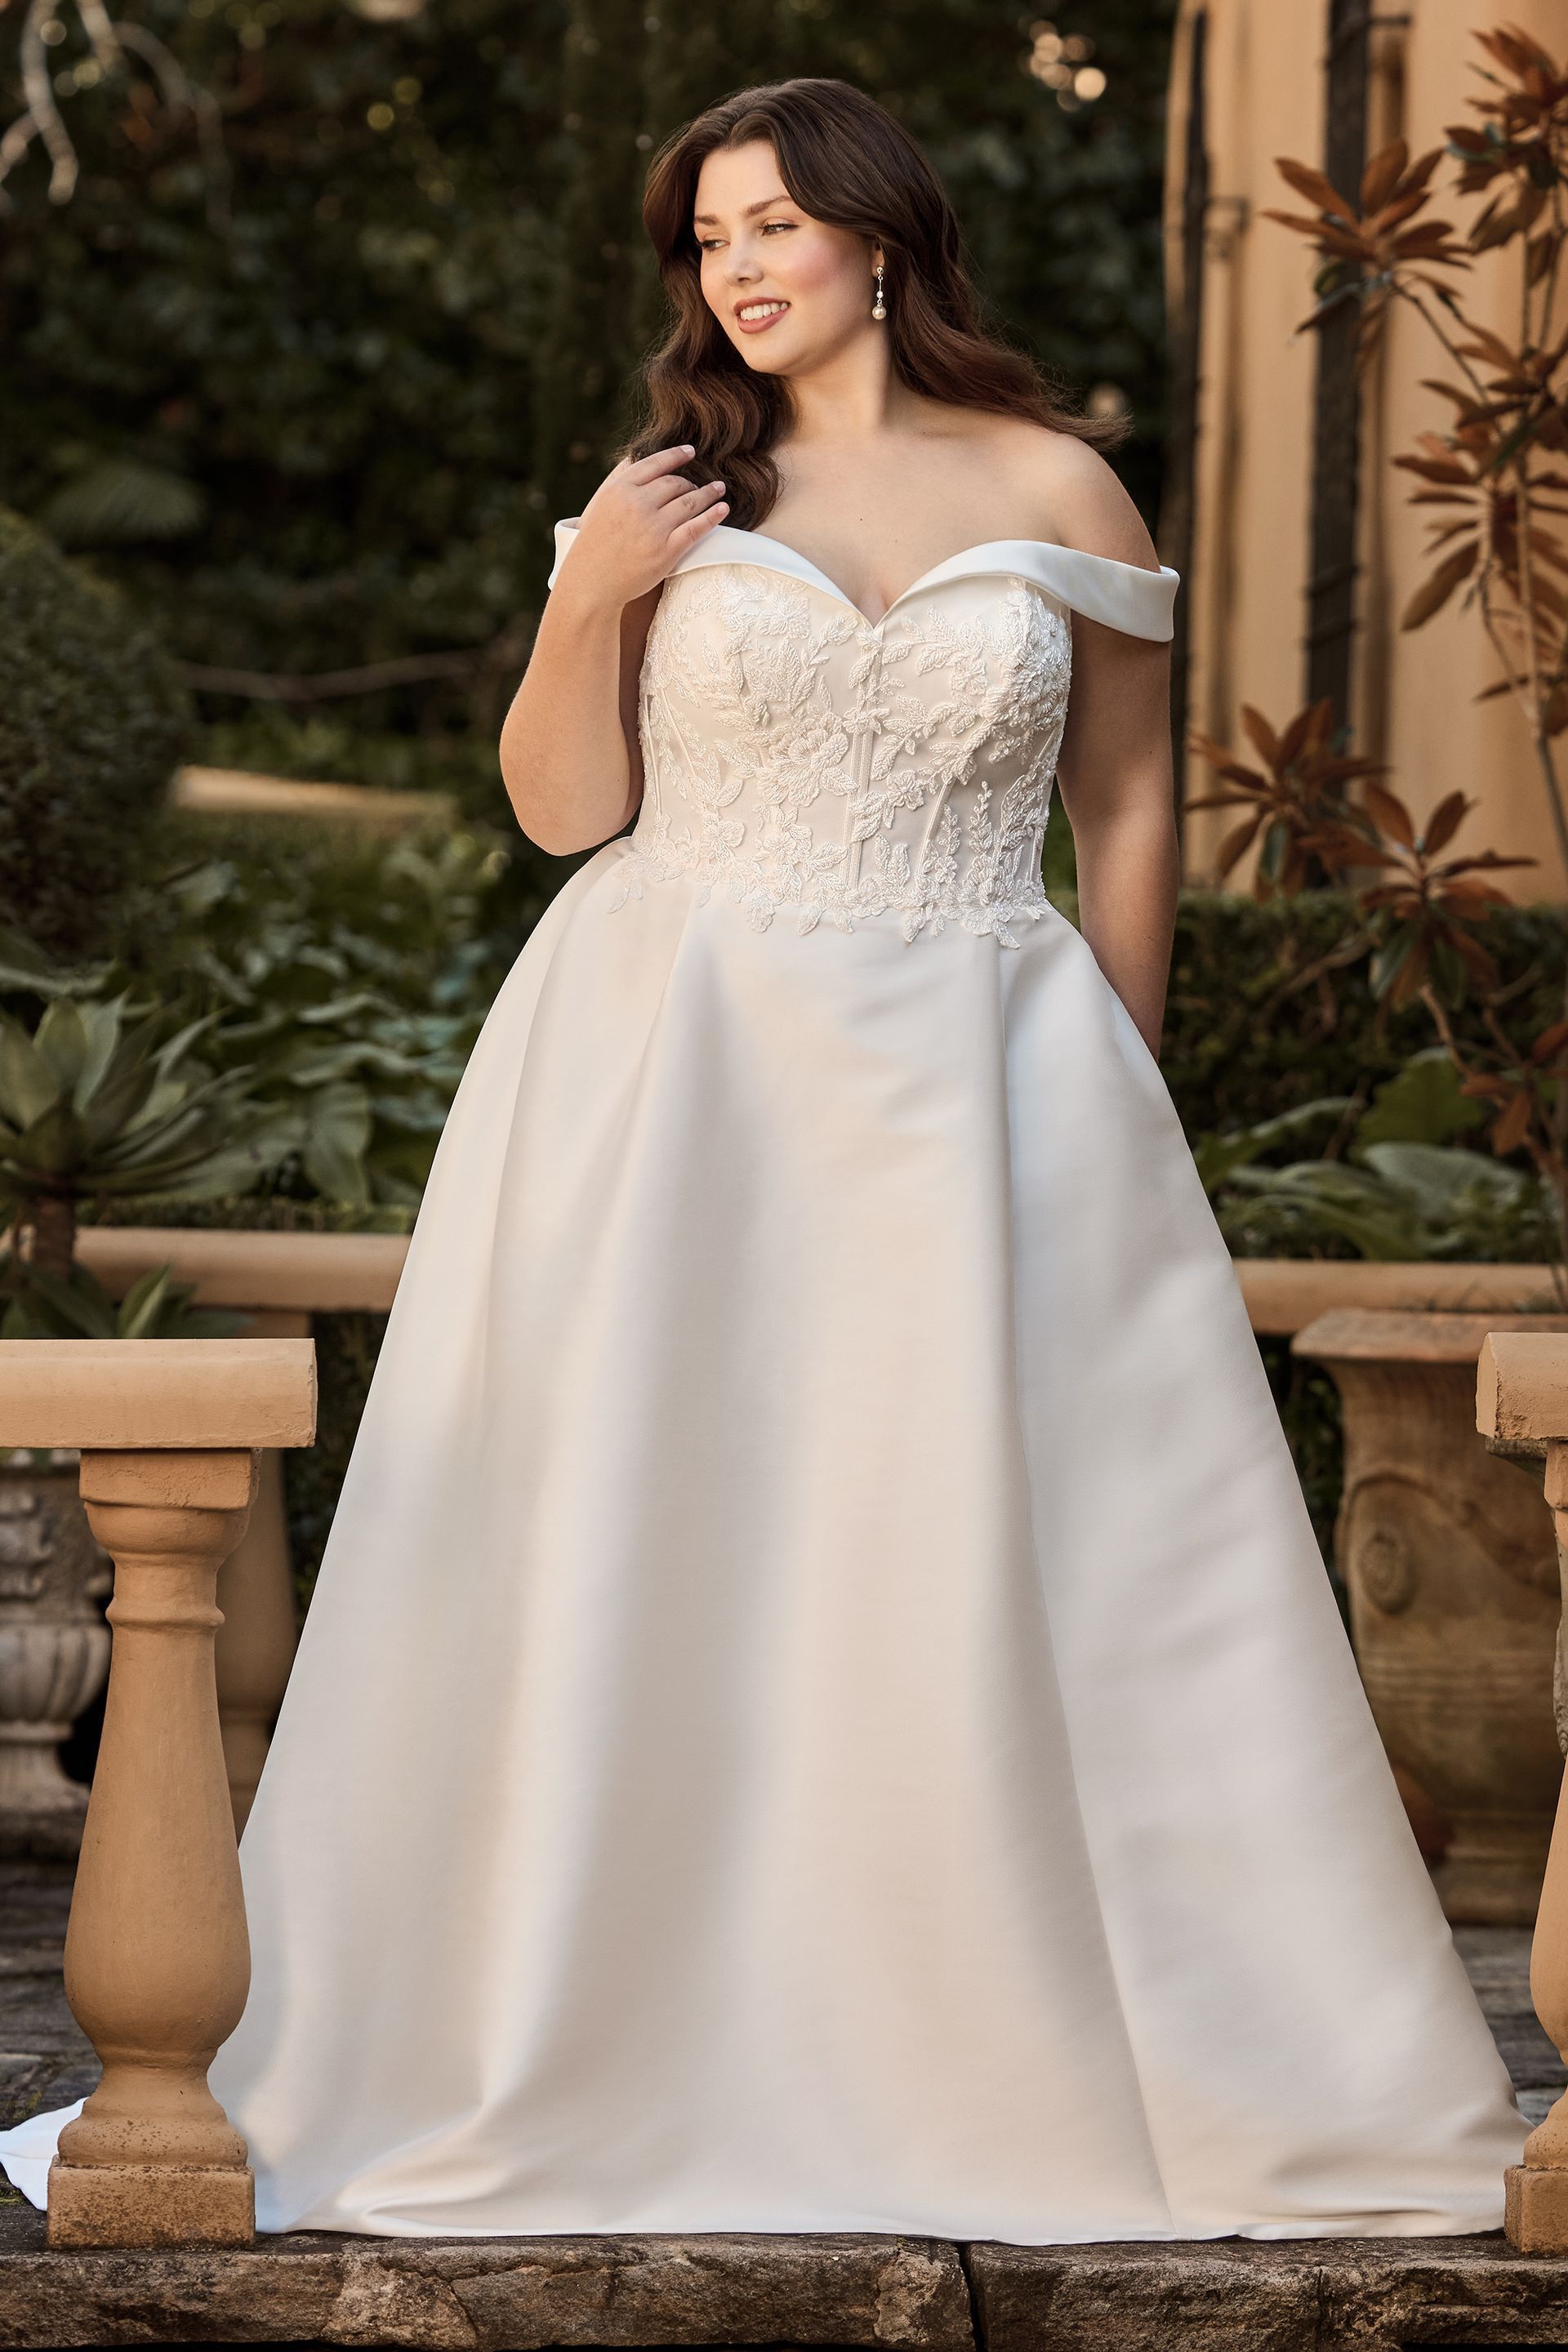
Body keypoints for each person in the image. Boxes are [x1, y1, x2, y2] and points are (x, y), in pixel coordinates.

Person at [0, 75, 1526, 2242]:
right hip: (676, 1063)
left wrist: (1115, 1072)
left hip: (993, 1068)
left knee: (990, 1541)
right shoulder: (667, 495)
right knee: (652, 1520)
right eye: (707, 233)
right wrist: (587, 594)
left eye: (774, 221)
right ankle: (584, 2033)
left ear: (877, 238)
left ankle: (1057, 2043)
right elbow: (557, 811)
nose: (737, 264)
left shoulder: (1055, 478)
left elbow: (1124, 807)